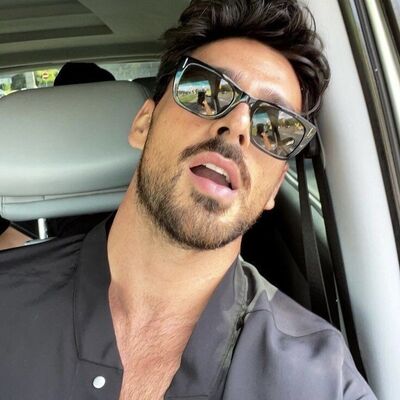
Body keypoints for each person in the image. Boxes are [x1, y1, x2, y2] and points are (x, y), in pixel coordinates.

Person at [0, 1, 377, 399]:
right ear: (144, 123)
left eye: (275, 127)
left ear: (274, 188)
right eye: (205, 91)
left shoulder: (323, 382)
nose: (238, 126)